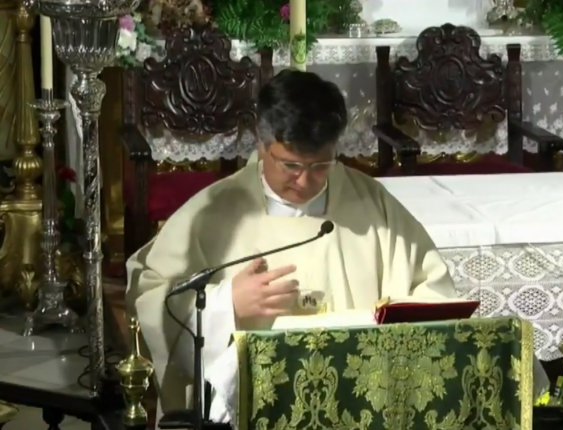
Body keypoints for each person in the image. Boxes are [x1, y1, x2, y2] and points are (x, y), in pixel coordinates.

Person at [125, 70, 457, 419]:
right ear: (261, 143)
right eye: (290, 165)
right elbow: (152, 297)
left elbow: (434, 296)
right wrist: (226, 306)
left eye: (321, 166)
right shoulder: (212, 212)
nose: (304, 180)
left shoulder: (374, 207)